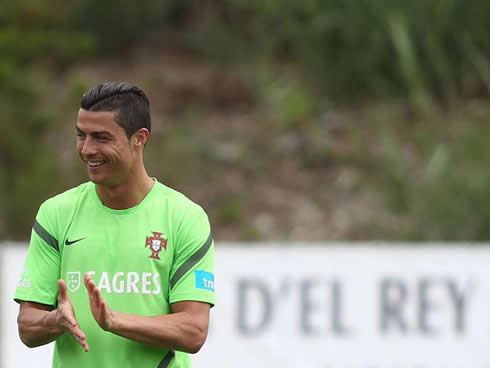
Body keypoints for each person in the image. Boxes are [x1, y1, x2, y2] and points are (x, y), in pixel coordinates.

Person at [14, 81, 215, 368]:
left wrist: (115, 321)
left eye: (101, 137)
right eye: (81, 135)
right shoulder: (55, 214)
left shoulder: (184, 218)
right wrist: (55, 320)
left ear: (139, 138)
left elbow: (194, 330)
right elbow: (27, 325)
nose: (87, 149)